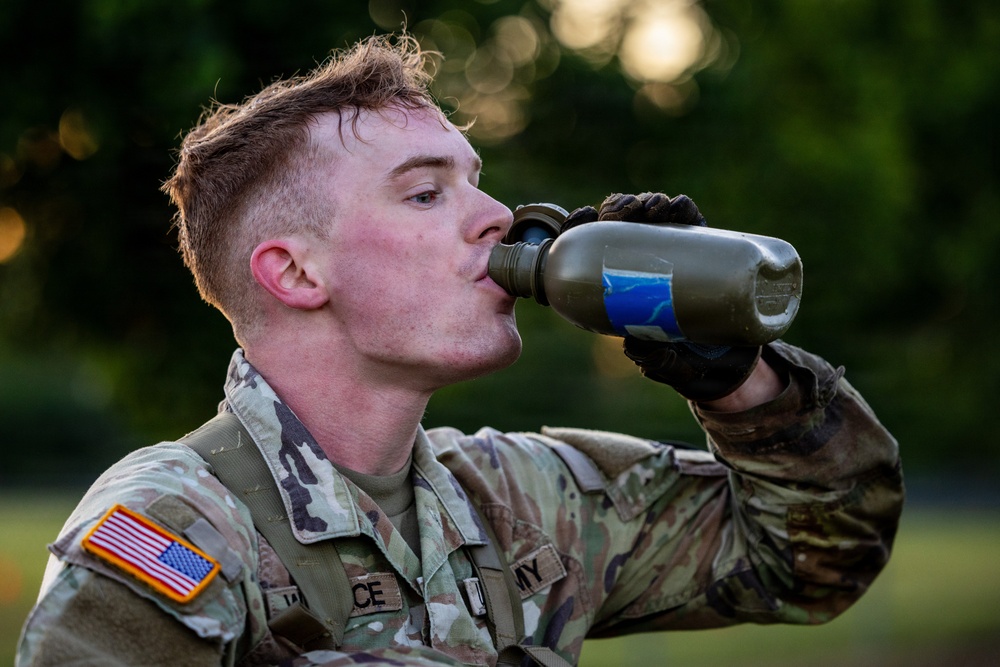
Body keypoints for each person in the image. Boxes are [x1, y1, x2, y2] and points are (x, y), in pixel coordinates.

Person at [16, 34, 903, 667]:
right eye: (425, 195)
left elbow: (818, 557)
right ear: (293, 271)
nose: (497, 218)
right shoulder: (175, 531)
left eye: (476, 180)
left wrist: (737, 378)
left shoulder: (525, 500)